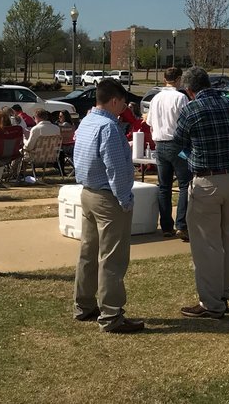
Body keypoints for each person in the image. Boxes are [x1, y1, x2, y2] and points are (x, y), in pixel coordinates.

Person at [70, 79, 144, 334]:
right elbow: (116, 168)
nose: (125, 107)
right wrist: (125, 199)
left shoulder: (87, 121)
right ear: (114, 101)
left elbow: (78, 157)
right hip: (107, 197)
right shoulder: (109, 127)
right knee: (112, 258)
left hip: (88, 192)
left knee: (88, 254)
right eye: (123, 102)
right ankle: (111, 314)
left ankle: (84, 305)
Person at [177, 68, 229, 319]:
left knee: (207, 245)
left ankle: (211, 302)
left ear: (190, 90)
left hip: (206, 180)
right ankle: (224, 293)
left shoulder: (191, 109)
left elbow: (179, 142)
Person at [146, 66, 190, 238]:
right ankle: (181, 224)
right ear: (178, 79)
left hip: (160, 143)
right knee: (185, 184)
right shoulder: (181, 97)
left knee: (164, 187)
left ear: (165, 79)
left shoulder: (156, 98)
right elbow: (186, 121)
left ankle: (166, 226)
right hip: (177, 143)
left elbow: (149, 121)